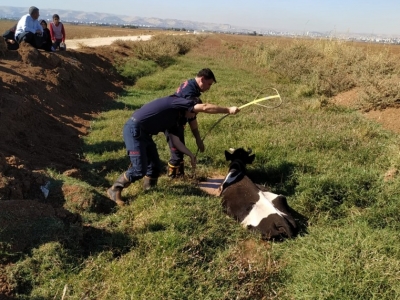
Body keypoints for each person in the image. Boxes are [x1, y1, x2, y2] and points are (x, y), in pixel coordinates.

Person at [107, 96, 240, 206]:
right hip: (134, 130)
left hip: (145, 134)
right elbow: (204, 107)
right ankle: (115, 189)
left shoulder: (177, 118)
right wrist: (228, 109)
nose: (193, 116)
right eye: (194, 112)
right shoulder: (177, 103)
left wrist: (190, 155)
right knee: (139, 169)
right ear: (190, 106)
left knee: (154, 167)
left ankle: (150, 192)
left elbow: (175, 141)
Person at [166, 68, 216, 178]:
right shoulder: (190, 92)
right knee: (177, 152)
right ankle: (173, 179)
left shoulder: (191, 86)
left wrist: (198, 139)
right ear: (202, 79)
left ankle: (181, 176)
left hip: (178, 122)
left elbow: (191, 117)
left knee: (180, 149)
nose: (209, 88)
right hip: (172, 122)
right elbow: (191, 116)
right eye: (209, 84)